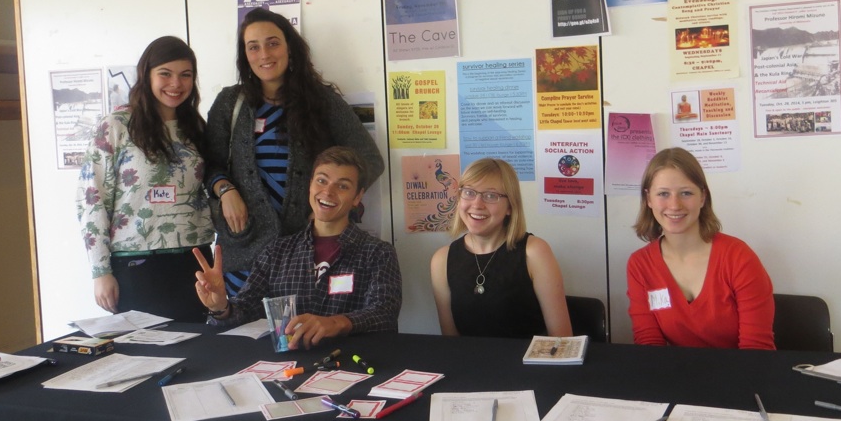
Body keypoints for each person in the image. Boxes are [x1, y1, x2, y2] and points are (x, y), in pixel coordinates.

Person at [204, 8, 384, 296]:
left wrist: (328, 203)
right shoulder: (230, 103)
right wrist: (225, 190)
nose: (264, 54)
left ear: (290, 47)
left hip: (305, 252)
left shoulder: (322, 102)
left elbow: (370, 160)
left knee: (301, 335)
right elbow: (209, 164)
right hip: (243, 251)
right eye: (253, 47)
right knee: (241, 333)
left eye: (273, 43)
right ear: (245, 55)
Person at [194, 146, 401, 349]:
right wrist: (221, 307)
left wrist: (335, 323)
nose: (328, 192)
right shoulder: (277, 251)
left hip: (353, 365)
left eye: (342, 186)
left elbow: (384, 313)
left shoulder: (378, 253)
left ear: (357, 197)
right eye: (321, 181)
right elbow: (245, 309)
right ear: (310, 185)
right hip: (290, 365)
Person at [77, 35, 214, 321]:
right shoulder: (116, 126)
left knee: (200, 355)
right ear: (146, 75)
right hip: (135, 265)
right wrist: (100, 271)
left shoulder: (196, 129)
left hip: (194, 261)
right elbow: (92, 201)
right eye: (165, 74)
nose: (176, 84)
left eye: (185, 75)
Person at [627, 147, 774, 349]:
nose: (675, 204)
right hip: (676, 374)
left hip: (741, 373)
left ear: (702, 197)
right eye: (663, 194)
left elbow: (756, 349)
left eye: (686, 193)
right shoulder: (640, 264)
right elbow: (649, 344)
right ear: (648, 199)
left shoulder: (738, 258)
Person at [430, 158, 572, 338]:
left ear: (510, 207)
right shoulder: (441, 260)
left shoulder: (534, 252)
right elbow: (451, 342)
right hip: (470, 364)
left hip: (529, 364)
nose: (477, 204)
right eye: (469, 192)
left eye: (491, 196)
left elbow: (562, 339)